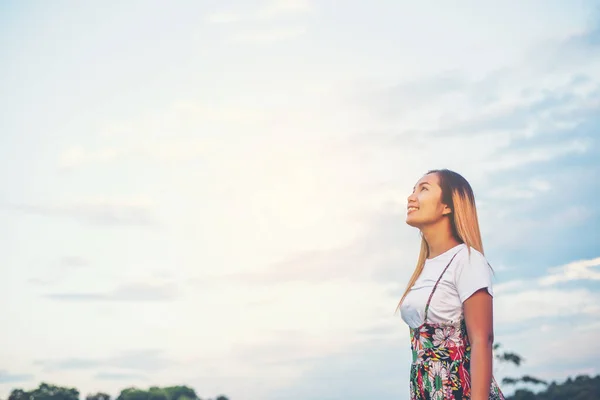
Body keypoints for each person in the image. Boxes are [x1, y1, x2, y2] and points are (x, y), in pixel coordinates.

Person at [396, 169, 505, 400]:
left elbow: (482, 340)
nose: (411, 197)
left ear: (447, 206)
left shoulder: (467, 260)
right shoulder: (425, 267)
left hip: (459, 391)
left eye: (423, 189)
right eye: (413, 190)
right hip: (425, 390)